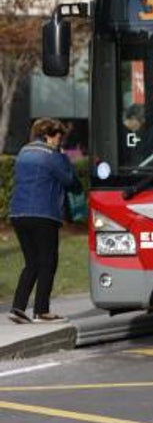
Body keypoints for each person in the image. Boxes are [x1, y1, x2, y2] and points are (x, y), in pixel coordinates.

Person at [7, 118, 83, 324]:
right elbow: (69, 181)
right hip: (43, 214)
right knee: (48, 262)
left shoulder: (23, 152)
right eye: (59, 137)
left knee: (31, 263)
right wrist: (65, 159)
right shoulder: (53, 156)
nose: (60, 142)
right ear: (49, 135)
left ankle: (18, 307)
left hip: (18, 214)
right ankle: (41, 311)